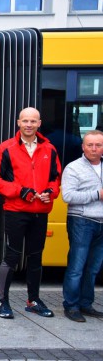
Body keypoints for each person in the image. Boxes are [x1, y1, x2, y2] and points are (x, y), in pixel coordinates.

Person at [0, 107, 61, 319]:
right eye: (25, 121)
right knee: (11, 256)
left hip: (40, 211)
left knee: (36, 257)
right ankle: (2, 301)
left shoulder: (50, 149)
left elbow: (55, 178)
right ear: (18, 123)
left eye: (33, 121)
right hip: (16, 211)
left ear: (39, 123)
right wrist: (21, 191)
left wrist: (51, 192)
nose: (29, 124)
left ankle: (33, 300)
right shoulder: (6, 148)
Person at [60, 130, 103, 322]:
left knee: (93, 268)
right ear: (83, 147)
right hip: (82, 222)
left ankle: (86, 304)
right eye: (90, 145)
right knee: (77, 267)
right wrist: (97, 195)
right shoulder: (73, 168)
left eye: (98, 145)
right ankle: (71, 306)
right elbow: (68, 197)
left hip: (102, 223)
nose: (94, 149)